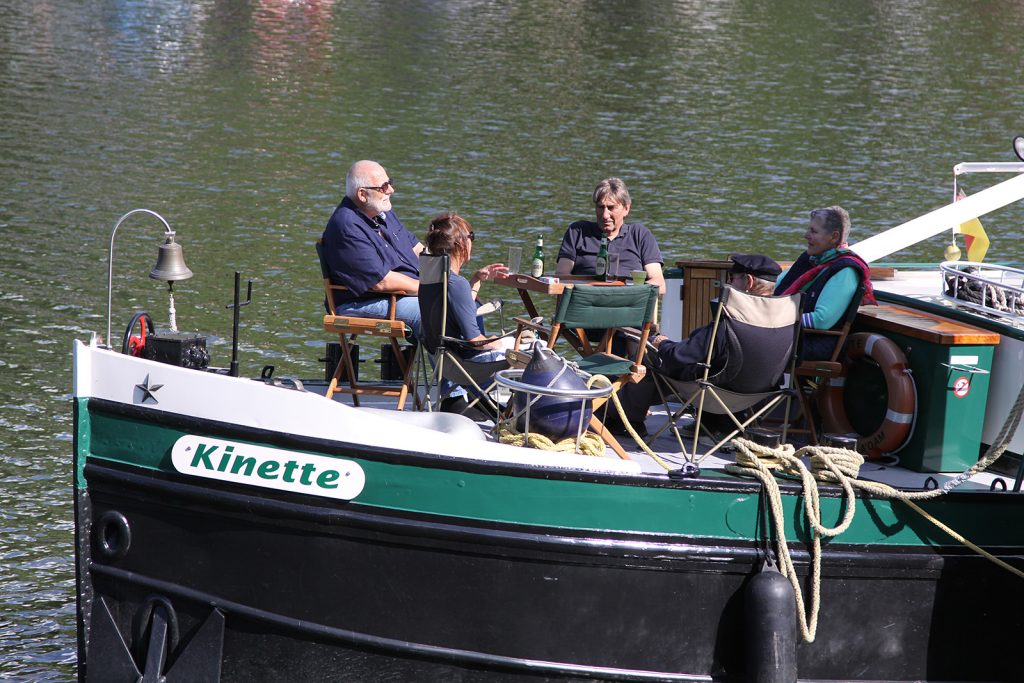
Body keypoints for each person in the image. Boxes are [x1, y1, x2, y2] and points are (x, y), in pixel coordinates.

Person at [607, 254, 783, 437]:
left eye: (732, 278)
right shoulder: (787, 318)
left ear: (748, 282)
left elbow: (683, 355)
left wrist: (662, 343)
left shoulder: (732, 320)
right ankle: (713, 424)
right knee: (716, 361)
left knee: (652, 355)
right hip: (763, 394)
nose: (728, 284)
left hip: (719, 394)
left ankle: (624, 421)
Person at [321, 160, 424, 338]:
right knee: (438, 313)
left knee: (466, 304)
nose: (391, 190)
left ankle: (475, 358)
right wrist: (430, 290)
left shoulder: (384, 212)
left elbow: (417, 249)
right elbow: (382, 281)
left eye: (390, 182)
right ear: (362, 194)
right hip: (360, 302)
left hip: (400, 296)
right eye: (383, 187)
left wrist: (449, 278)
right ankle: (457, 364)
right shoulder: (346, 225)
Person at [774, 206, 876, 360]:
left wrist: (772, 320)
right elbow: (777, 285)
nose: (806, 235)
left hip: (815, 342)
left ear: (834, 237)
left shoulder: (845, 270)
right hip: (792, 335)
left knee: (741, 339)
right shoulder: (812, 259)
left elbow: (822, 320)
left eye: (813, 231)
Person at [422, 213, 512, 362]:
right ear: (462, 243)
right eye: (471, 236)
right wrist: (496, 341)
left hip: (443, 361)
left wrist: (477, 279)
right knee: (536, 345)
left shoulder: (433, 279)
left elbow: (461, 307)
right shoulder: (457, 283)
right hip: (470, 363)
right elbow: (475, 341)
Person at [556, 178, 666, 295]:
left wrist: (626, 293)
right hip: (586, 304)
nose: (605, 215)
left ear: (626, 208)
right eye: (600, 207)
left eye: (611, 207)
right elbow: (561, 277)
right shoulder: (577, 232)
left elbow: (659, 283)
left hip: (628, 305)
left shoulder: (640, 235)